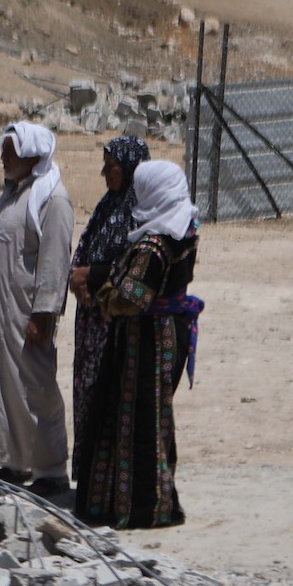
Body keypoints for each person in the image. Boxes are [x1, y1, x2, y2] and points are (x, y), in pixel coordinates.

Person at [72, 160, 202, 528]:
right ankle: (144, 501)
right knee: (152, 416)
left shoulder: (154, 241)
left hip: (144, 341)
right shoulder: (184, 226)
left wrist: (105, 296)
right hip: (165, 333)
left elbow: (132, 297)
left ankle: (139, 507)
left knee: (135, 419)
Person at [0, 122, 75, 495]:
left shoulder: (53, 199)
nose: (3, 157)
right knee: (3, 384)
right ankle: (14, 462)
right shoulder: (15, 192)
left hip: (25, 313)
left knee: (34, 386)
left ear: (32, 154)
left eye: (10, 151)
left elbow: (55, 260)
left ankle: (50, 470)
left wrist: (43, 313)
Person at [67, 136, 150, 465]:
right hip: (89, 321)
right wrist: (77, 277)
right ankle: (88, 475)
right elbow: (84, 245)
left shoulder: (141, 211)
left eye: (111, 167)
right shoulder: (107, 204)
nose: (104, 173)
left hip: (114, 324)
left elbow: (135, 263)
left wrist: (93, 276)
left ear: (131, 169)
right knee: (86, 393)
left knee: (109, 396)